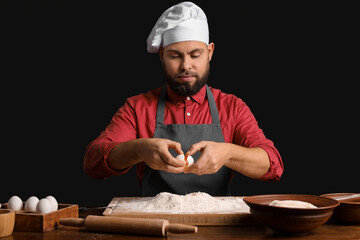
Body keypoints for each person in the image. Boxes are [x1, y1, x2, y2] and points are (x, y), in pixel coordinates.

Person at [83, 1, 283, 196]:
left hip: (219, 225)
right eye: (175, 55)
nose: (186, 65)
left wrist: (229, 153)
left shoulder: (232, 107)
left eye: (195, 55)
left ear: (210, 52)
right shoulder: (137, 108)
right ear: (161, 55)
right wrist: (139, 149)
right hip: (154, 225)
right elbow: (93, 162)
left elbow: (273, 164)